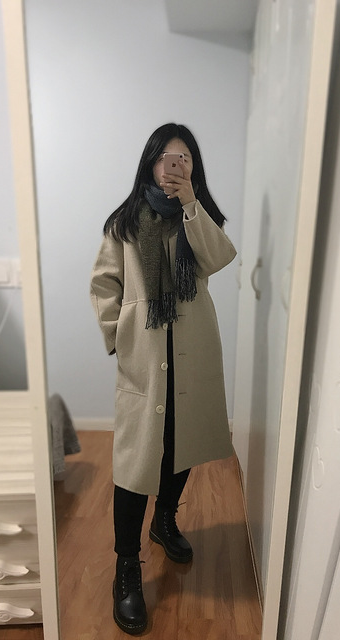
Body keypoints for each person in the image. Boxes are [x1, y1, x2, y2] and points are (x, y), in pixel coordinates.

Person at [90, 123, 237, 635]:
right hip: (145, 360)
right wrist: (119, 336)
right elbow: (103, 283)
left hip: (193, 355)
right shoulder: (124, 223)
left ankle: (165, 519)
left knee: (181, 445)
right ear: (151, 162)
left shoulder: (201, 217)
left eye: (185, 158)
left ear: (193, 168)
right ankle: (126, 568)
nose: (175, 165)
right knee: (135, 464)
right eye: (167, 157)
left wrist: (192, 204)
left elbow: (219, 258)